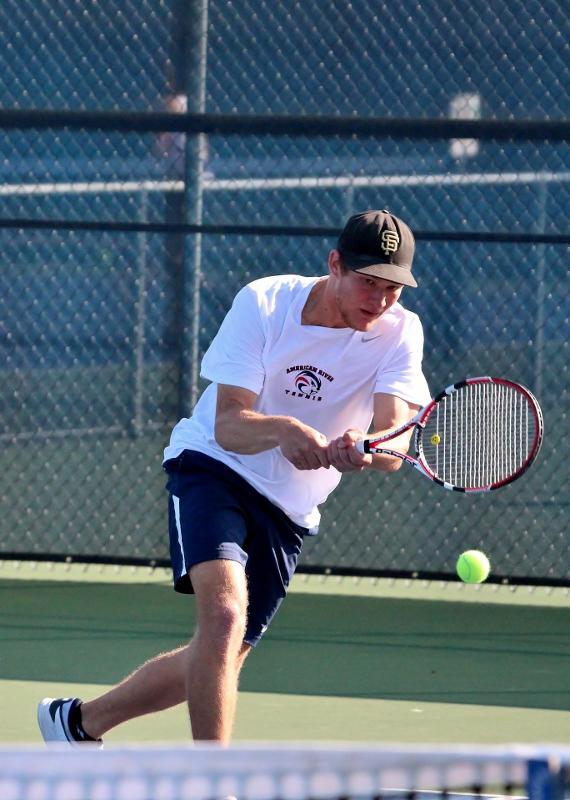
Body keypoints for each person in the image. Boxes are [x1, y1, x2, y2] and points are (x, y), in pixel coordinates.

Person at [37, 209, 431, 746]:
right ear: (335, 264)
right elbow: (229, 425)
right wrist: (286, 430)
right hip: (214, 468)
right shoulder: (265, 302)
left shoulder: (400, 331)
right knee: (224, 617)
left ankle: (79, 723)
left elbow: (394, 437)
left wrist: (366, 448)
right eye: (369, 283)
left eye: (393, 288)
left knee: (220, 652)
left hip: (288, 509)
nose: (381, 300)